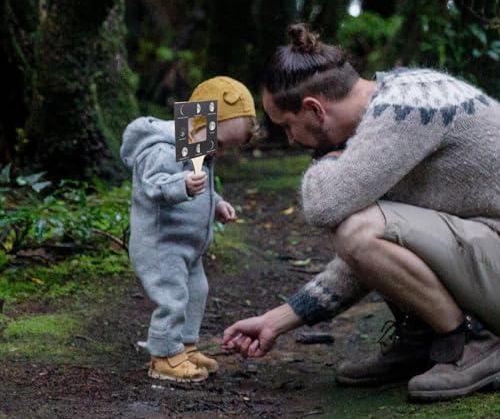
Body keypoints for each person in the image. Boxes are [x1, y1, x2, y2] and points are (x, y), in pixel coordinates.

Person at [222, 23, 500, 401]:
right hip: (483, 249)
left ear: (314, 109)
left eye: (287, 127)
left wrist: (327, 160)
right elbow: (374, 255)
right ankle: (425, 339)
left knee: (357, 226)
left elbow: (325, 206)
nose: (290, 140)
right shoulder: (392, 106)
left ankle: (472, 340)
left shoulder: (405, 107)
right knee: (366, 227)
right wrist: (278, 320)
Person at [121, 76, 256, 382]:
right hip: (161, 243)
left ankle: (186, 346)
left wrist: (217, 202)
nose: (218, 154)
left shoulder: (199, 147)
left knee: (197, 291)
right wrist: (181, 184)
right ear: (198, 121)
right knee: (172, 297)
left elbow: (200, 185)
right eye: (219, 144)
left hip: (188, 246)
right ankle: (164, 356)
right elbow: (153, 184)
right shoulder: (161, 148)